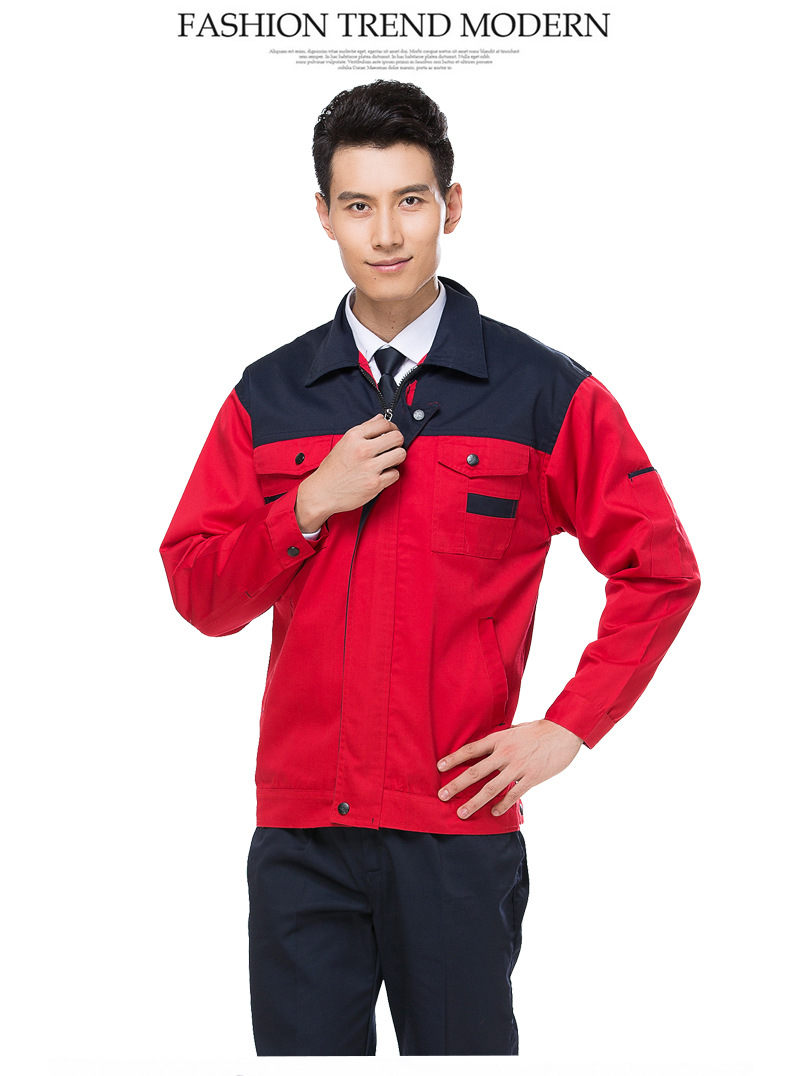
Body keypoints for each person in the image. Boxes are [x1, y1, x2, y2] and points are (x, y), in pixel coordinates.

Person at [159, 79, 701, 1056]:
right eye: (357, 204)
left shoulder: (542, 392)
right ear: (323, 215)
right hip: (302, 839)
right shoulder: (269, 397)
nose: (386, 233)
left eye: (409, 200)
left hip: (457, 831)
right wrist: (307, 504)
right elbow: (201, 591)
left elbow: (660, 569)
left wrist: (570, 725)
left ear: (450, 206)